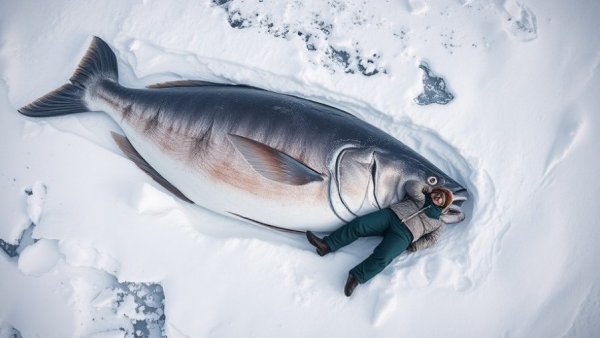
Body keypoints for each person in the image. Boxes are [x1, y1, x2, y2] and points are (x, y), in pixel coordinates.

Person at [306, 180, 454, 297]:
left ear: (444, 206)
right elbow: (411, 184)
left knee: (384, 256)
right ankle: (327, 245)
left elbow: (432, 239)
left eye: (442, 199)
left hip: (405, 235)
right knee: (360, 224)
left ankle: (356, 277)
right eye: (439, 194)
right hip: (391, 216)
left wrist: (416, 246)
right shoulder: (421, 196)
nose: (439, 198)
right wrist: (427, 188)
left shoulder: (438, 223)